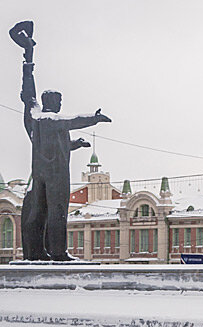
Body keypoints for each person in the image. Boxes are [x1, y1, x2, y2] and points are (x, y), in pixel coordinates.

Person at [16, 25, 111, 260]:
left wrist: (28, 60)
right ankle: (59, 253)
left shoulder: (35, 118)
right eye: (59, 100)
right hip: (56, 177)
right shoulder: (50, 119)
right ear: (52, 102)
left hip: (39, 176)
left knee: (39, 212)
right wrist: (94, 118)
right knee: (57, 212)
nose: (60, 105)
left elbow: (28, 95)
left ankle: (38, 253)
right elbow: (73, 120)